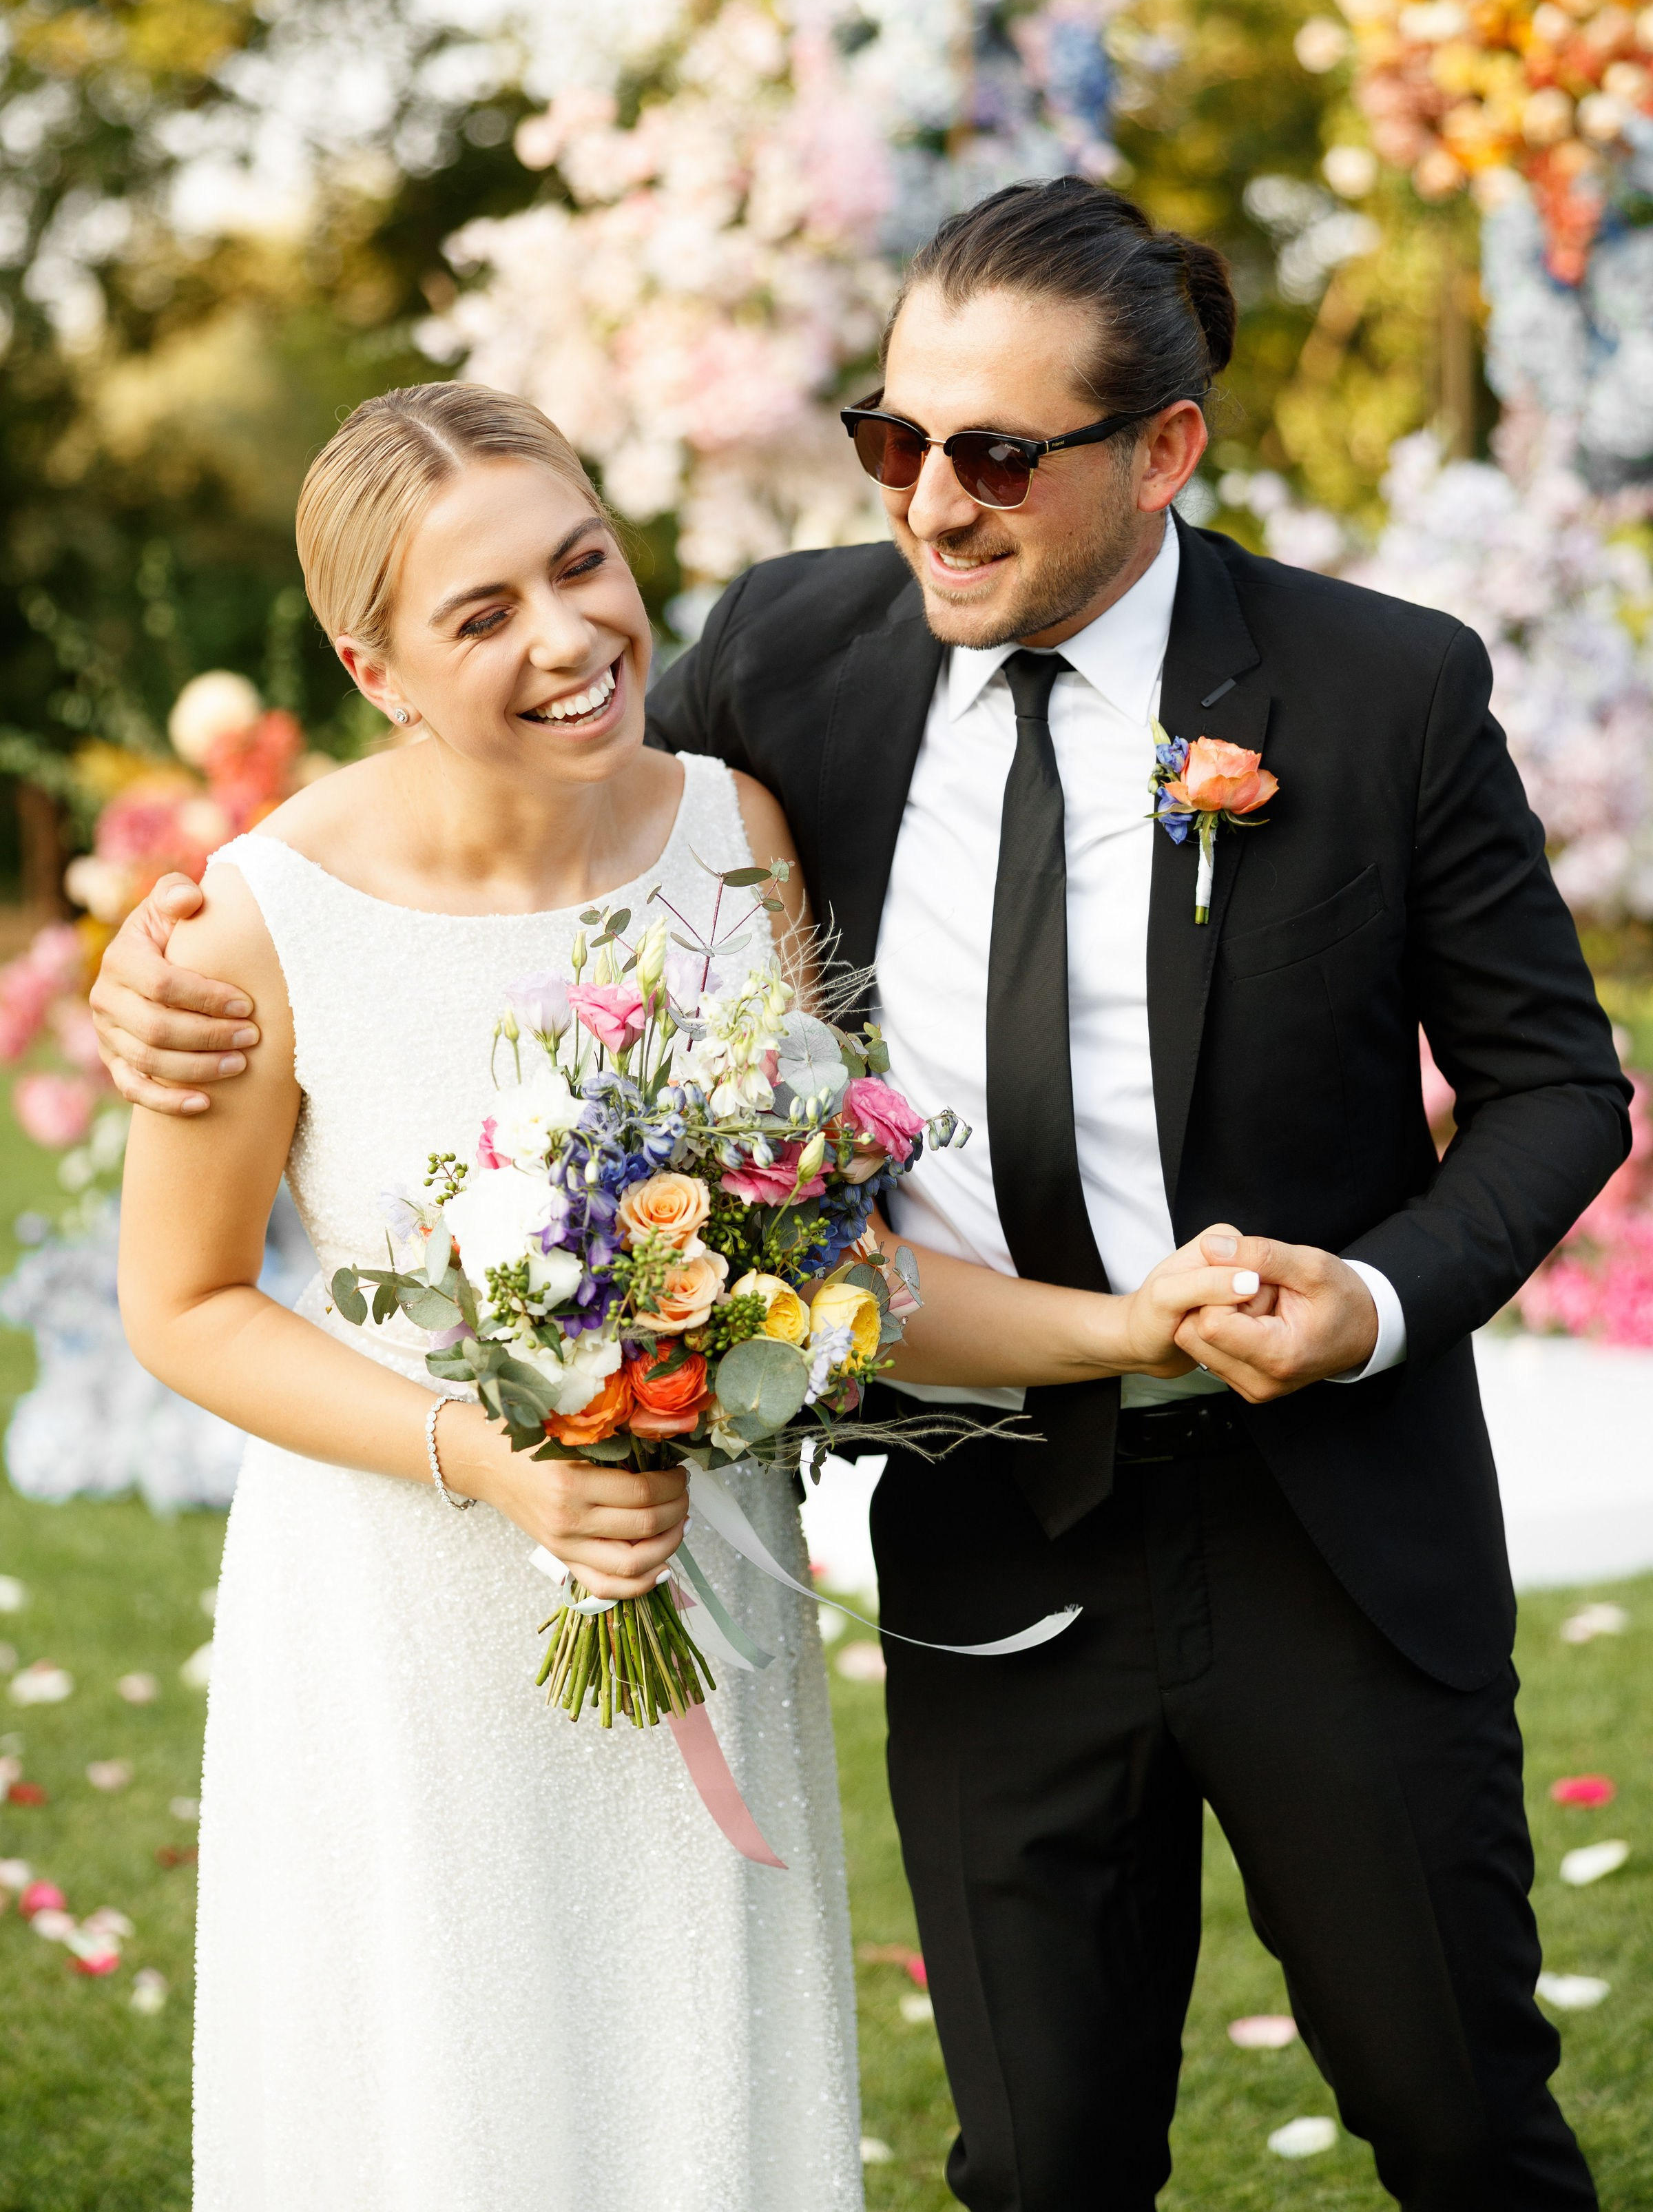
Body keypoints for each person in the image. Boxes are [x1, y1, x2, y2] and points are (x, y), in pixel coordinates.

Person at [94, 184, 1627, 2210]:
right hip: (996, 1531)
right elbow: (514, 856)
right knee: (1039, 2162)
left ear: (1162, 448)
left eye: (996, 457)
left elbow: (1553, 1091)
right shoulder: (789, 667)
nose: (932, 505)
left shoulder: (1382, 690)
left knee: (1459, 2123)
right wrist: (154, 961)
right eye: (894, 442)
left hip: (1333, 1532)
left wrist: (1366, 1297)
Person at [110, 378, 1265, 2212]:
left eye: (583, 564)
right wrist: (485, 1459)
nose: (569, 637)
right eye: (480, 615)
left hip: (702, 1580)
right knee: (445, 2102)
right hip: (400, 1622)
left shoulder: (733, 827)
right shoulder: (255, 921)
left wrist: (1131, 1330)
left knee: (691, 2089)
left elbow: (833, 1261)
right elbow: (182, 1304)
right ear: (373, 664)